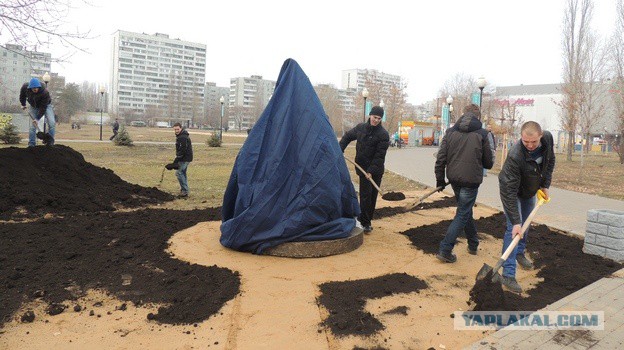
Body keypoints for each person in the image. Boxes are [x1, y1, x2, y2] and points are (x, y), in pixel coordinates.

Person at [497, 121, 555, 293]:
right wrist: (515, 221)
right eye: (526, 142)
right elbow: (508, 191)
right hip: (512, 191)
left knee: (526, 224)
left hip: (530, 189)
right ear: (520, 137)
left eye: (534, 142)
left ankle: (520, 253)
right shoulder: (515, 156)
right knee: (514, 229)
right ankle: (508, 274)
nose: (530, 146)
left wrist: (544, 185)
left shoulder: (548, 140)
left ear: (541, 137)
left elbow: (550, 162)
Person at [434, 104, 494, 263]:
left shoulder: (450, 132)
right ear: (478, 117)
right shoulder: (482, 134)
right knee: (463, 212)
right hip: (471, 181)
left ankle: (473, 243)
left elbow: (441, 158)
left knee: (465, 210)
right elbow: (489, 163)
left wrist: (440, 179)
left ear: (463, 114)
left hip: (454, 179)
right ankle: (445, 249)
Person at [339, 105, 390, 233]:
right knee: (365, 195)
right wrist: (339, 150)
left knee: (371, 197)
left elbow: (380, 156)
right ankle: (364, 221)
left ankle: (366, 222)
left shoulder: (383, 134)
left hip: (375, 171)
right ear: (370, 115)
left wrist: (371, 171)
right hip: (362, 168)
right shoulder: (361, 128)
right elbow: (347, 137)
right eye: (374, 117)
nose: (376, 120)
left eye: (379, 118)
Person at [19, 77, 55, 146]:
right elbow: (22, 96)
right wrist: (23, 104)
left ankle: (50, 143)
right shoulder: (25, 87)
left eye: (36, 88)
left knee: (52, 123)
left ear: (39, 86)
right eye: (33, 88)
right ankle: (31, 144)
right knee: (33, 126)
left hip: (46, 106)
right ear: (30, 87)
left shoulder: (44, 92)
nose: (35, 89)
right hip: (33, 106)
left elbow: (43, 108)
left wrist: (37, 119)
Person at [165, 122, 193, 198]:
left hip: (185, 158)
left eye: (177, 129)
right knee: (183, 173)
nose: (176, 131)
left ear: (181, 128)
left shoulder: (182, 137)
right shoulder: (181, 136)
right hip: (185, 157)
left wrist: (176, 161)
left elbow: (183, 150)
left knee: (179, 173)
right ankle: (184, 190)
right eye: (175, 129)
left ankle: (185, 191)